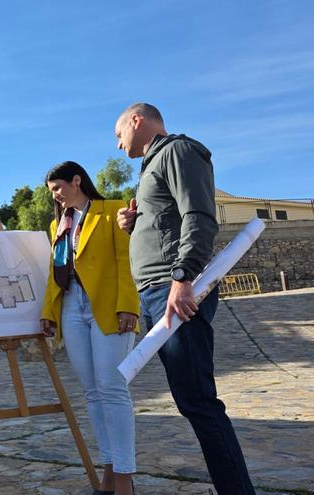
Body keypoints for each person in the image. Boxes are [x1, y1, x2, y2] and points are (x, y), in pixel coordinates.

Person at [114, 103, 255, 494]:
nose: (118, 144)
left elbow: (199, 216)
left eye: (119, 134)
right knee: (192, 400)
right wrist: (134, 225)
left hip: (172, 290)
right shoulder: (152, 166)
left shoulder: (178, 150)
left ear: (137, 120)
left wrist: (182, 276)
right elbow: (168, 223)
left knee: (199, 402)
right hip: (157, 292)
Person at [40, 161, 140, 495]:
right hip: (71, 306)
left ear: (76, 180)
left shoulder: (112, 210)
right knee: (92, 392)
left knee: (112, 387)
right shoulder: (58, 224)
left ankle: (124, 477)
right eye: (51, 191)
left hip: (108, 305)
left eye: (57, 188)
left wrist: (128, 304)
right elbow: (55, 271)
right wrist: (48, 311)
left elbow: (125, 261)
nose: (55, 195)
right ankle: (109, 469)